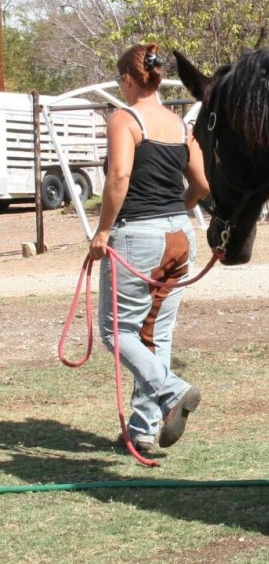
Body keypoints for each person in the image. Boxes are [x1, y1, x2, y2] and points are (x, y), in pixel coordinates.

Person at [89, 43, 210, 453]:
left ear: (127, 79)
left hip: (136, 235)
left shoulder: (125, 118)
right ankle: (142, 430)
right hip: (180, 235)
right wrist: (177, 213)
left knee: (115, 332)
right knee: (154, 333)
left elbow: (119, 175)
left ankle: (172, 390)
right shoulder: (179, 126)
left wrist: (102, 231)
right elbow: (202, 186)